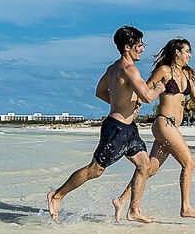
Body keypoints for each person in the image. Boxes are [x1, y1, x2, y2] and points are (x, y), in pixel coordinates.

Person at [46, 25, 162, 224]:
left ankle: (134, 210)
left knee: (145, 165)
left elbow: (100, 92)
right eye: (140, 45)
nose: (142, 48)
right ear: (127, 47)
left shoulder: (113, 68)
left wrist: (121, 104)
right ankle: (56, 195)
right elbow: (148, 96)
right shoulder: (129, 69)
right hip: (116, 129)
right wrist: (159, 88)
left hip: (129, 129)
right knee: (95, 170)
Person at [115, 38, 195, 221]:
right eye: (186, 51)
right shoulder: (164, 71)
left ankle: (122, 200)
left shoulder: (187, 75)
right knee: (189, 163)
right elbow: (145, 89)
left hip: (173, 126)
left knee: (150, 168)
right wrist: (131, 107)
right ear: (177, 53)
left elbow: (194, 98)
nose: (189, 55)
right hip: (164, 123)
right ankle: (185, 207)